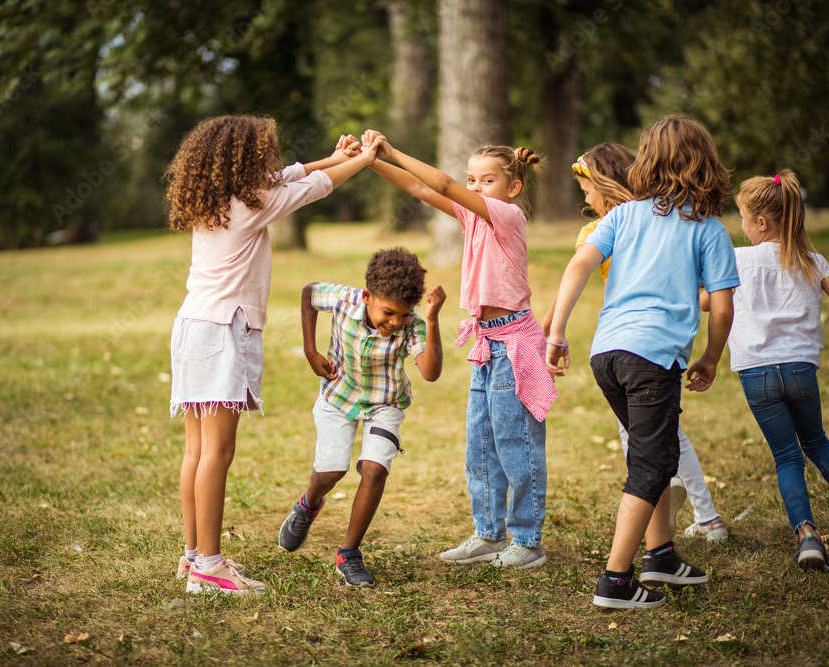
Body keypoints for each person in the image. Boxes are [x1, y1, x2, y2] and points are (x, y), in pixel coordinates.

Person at [164, 115, 380, 595]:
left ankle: (195, 556)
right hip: (223, 329)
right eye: (263, 154)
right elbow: (313, 188)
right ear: (243, 160)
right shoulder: (249, 204)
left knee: (197, 451)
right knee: (217, 453)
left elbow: (294, 176)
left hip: (194, 325)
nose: (272, 161)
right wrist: (364, 159)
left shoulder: (222, 199)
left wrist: (338, 157)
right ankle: (209, 567)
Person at [546, 115, 739, 609]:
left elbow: (578, 265)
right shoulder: (709, 231)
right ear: (706, 165)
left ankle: (661, 556)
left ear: (645, 162)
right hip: (652, 359)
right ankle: (614, 581)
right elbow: (721, 307)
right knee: (653, 466)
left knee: (645, 455)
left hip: (606, 354)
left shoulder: (620, 217)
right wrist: (712, 358)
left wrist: (558, 330)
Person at [361, 129, 558, 570]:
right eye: (472, 179)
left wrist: (394, 148)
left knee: (516, 443)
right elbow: (418, 186)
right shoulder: (473, 217)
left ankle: (528, 541)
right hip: (487, 343)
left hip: (513, 343)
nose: (473, 187)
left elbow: (444, 184)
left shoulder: (507, 216)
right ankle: (488, 534)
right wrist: (371, 160)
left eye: (485, 180)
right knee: (481, 444)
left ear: (512, 187)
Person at [722, 170, 829, 569]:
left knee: (787, 457)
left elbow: (709, 302)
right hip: (801, 370)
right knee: (818, 443)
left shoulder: (737, 259)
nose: (740, 225)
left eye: (741, 217)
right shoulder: (810, 260)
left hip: (756, 374)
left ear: (761, 222)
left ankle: (807, 537)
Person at [278, 248, 446, 587]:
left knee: (374, 469)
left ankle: (349, 553)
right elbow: (309, 293)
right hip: (338, 396)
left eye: (403, 314)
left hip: (385, 404)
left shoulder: (411, 324)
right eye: (388, 313)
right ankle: (308, 506)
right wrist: (310, 350)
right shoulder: (344, 299)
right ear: (367, 297)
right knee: (331, 471)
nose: (395, 323)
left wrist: (430, 319)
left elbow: (430, 372)